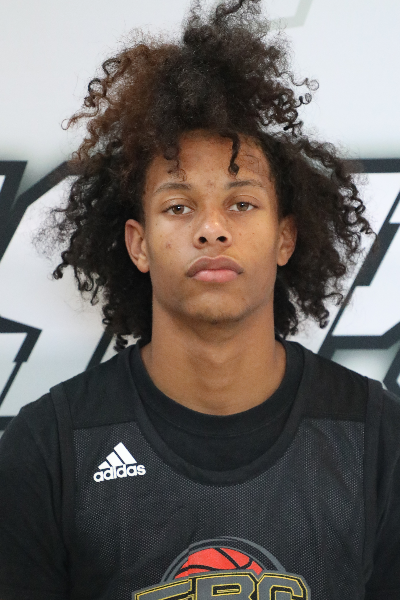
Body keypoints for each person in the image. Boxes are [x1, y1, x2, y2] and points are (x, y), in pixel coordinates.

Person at [0, 0, 399, 598]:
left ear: (285, 237)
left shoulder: (378, 438)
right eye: (179, 206)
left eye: (241, 203)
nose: (212, 229)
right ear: (138, 244)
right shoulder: (49, 447)